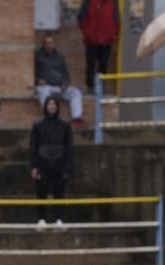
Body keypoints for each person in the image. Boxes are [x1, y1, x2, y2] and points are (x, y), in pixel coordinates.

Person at [30, 96, 72, 227]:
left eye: (54, 104)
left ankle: (59, 218)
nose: (52, 106)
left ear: (57, 106)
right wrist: (34, 166)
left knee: (59, 192)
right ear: (45, 106)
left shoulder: (65, 125)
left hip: (60, 164)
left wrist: (68, 167)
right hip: (42, 164)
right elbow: (33, 146)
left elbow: (69, 146)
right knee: (41, 192)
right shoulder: (38, 124)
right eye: (49, 104)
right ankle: (41, 218)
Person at [35, 33, 84, 126]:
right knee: (43, 91)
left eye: (51, 43)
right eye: (47, 43)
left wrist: (65, 83)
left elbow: (66, 73)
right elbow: (31, 72)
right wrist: (37, 80)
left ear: (54, 44)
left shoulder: (59, 57)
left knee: (76, 92)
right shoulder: (37, 56)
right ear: (43, 44)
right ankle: (50, 117)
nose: (49, 45)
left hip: (59, 86)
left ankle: (76, 118)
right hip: (45, 86)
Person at [78, 0, 120, 92]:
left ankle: (100, 87)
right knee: (91, 64)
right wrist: (88, 33)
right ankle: (90, 87)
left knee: (104, 65)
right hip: (91, 40)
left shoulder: (113, 2)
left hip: (106, 40)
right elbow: (81, 17)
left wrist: (112, 35)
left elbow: (116, 20)